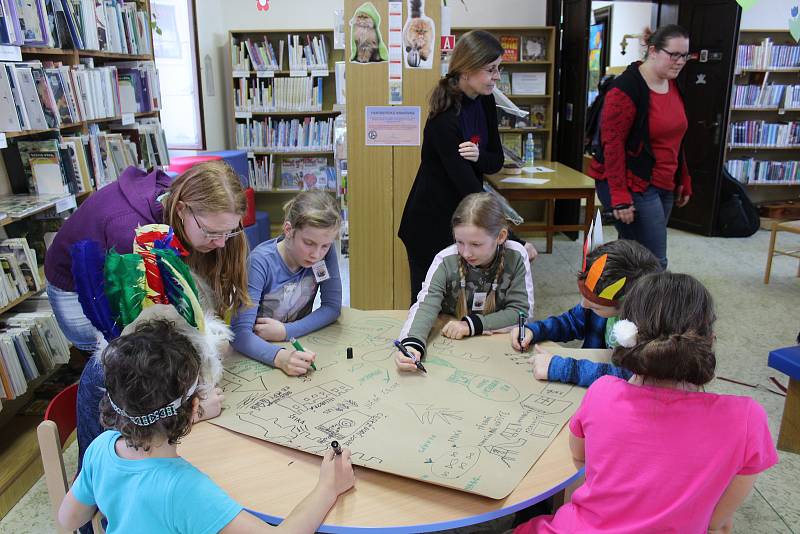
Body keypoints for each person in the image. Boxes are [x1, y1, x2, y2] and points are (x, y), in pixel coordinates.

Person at [514, 272, 778, 533]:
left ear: (627, 334)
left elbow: (579, 454)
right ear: (709, 340)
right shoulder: (747, 418)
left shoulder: (603, 393)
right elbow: (715, 522)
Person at [58, 318, 355, 534]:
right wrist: (328, 487)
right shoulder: (184, 489)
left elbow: (69, 519)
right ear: (194, 408)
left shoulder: (101, 448)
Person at [45, 162, 250, 468]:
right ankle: (106, 465)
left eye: (228, 232)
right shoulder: (128, 232)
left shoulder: (191, 210)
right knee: (121, 370)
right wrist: (191, 406)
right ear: (180, 210)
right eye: (212, 233)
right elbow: (141, 350)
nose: (221, 243)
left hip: (130, 269)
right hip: (76, 292)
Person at [398, 30, 537, 304]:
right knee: (430, 305)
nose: (497, 77)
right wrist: (515, 240)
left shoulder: (485, 100)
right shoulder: (444, 121)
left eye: (499, 68)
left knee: (463, 305)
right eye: (490, 69)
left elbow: (495, 161)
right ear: (466, 69)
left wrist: (477, 157)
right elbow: (470, 189)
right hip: (431, 223)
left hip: (464, 220)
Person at [588, 25, 692, 269]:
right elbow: (611, 147)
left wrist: (683, 178)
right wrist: (620, 198)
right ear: (653, 51)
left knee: (635, 256)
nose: (680, 62)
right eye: (674, 55)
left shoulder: (672, 84)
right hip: (634, 183)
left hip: (665, 181)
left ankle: (624, 303)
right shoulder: (625, 88)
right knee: (654, 261)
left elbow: (677, 138)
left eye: (685, 55)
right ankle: (647, 307)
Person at [396, 193, 533, 371]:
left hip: (496, 351)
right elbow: (425, 305)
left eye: (476, 244)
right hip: (451, 347)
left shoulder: (516, 256)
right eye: (459, 242)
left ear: (500, 236)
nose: (466, 252)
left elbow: (522, 314)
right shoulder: (445, 260)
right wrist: (412, 343)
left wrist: (470, 325)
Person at [511, 239, 660, 387]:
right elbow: (571, 322)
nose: (584, 304)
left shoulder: (654, 334)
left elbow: (629, 376)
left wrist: (563, 368)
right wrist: (534, 330)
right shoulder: (597, 305)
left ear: (628, 308)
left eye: (597, 307)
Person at [232, 191, 342, 376]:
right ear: (288, 230)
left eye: (325, 246)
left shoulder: (324, 254)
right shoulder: (261, 262)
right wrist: (280, 357)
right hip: (259, 355)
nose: (316, 254)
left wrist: (286, 331)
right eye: (308, 243)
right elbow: (240, 333)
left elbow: (332, 307)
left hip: (296, 344)